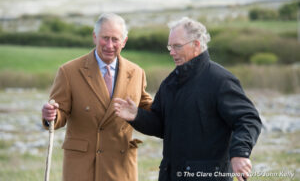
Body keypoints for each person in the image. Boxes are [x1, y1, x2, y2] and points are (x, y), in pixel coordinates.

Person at [114, 17, 262, 181]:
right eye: (170, 46)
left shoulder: (220, 80)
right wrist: (137, 115)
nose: (171, 52)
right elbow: (161, 126)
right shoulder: (170, 83)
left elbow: (248, 118)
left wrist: (240, 153)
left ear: (196, 45)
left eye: (177, 46)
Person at [41, 13, 152, 181]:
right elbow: (60, 113)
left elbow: (148, 110)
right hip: (82, 167)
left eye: (115, 39)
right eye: (104, 38)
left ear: (124, 41)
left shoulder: (136, 72)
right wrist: (51, 115)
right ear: (94, 37)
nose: (109, 45)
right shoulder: (69, 71)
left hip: (120, 165)